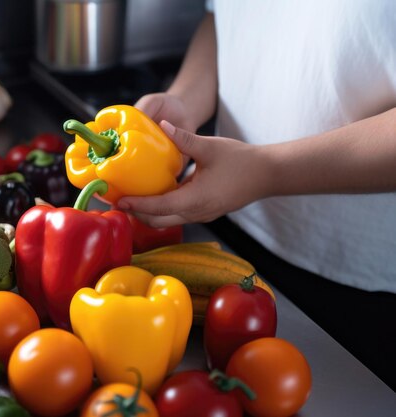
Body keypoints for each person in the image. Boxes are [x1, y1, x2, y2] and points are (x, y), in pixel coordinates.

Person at [119, 1, 396, 389]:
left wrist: (268, 170)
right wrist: (186, 99)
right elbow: (225, 18)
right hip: (224, 230)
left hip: (354, 283)